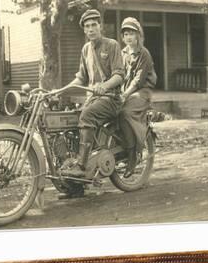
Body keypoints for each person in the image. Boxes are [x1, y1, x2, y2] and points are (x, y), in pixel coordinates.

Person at [57, 9, 125, 179]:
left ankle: (81, 167)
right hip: (93, 98)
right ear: (84, 30)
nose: (91, 29)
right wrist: (59, 91)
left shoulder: (112, 45)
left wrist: (104, 86)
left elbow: (119, 74)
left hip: (111, 98)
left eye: (94, 25)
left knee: (86, 116)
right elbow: (81, 78)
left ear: (100, 26)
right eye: (87, 26)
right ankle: (75, 179)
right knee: (71, 120)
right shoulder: (86, 48)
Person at [118, 17, 157, 177]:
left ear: (138, 35)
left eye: (132, 34)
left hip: (142, 92)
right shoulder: (123, 53)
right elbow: (118, 74)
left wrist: (124, 95)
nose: (128, 37)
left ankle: (133, 155)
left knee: (125, 113)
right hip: (127, 91)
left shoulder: (144, 53)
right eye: (125, 34)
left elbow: (138, 80)